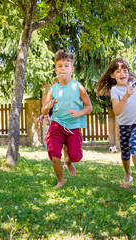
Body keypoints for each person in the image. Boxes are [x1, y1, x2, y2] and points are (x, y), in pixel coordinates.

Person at [95, 57, 136, 189]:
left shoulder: (134, 84)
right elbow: (117, 111)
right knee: (125, 153)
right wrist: (126, 96)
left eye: (125, 70)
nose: (122, 73)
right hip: (124, 125)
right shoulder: (115, 90)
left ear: (129, 73)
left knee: (133, 144)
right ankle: (127, 175)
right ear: (112, 75)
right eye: (118, 71)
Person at [42, 50, 92, 188]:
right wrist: (48, 106)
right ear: (55, 69)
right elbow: (43, 110)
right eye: (59, 66)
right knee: (53, 152)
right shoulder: (53, 89)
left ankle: (68, 161)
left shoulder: (78, 87)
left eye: (66, 65)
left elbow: (89, 107)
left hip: (73, 126)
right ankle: (61, 181)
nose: (63, 68)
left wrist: (79, 112)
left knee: (75, 155)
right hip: (57, 125)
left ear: (72, 69)